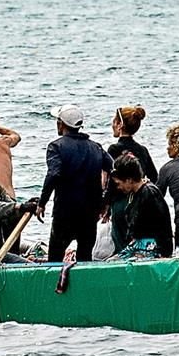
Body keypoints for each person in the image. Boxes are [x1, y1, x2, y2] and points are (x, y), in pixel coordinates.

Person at [38, 104, 114, 262]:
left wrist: (42, 202)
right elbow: (113, 170)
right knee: (85, 256)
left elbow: (53, 174)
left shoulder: (56, 146)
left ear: (61, 124)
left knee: (56, 256)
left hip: (64, 211)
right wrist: (106, 201)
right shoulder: (95, 147)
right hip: (90, 211)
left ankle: (54, 284)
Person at [103, 105, 158, 251]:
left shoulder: (114, 149)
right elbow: (154, 177)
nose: (112, 125)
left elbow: (111, 181)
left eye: (114, 121)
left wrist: (106, 205)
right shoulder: (142, 150)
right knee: (137, 244)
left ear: (120, 125)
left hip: (120, 204)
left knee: (121, 245)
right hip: (139, 203)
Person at [109, 153, 173, 259]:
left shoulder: (149, 193)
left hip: (153, 247)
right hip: (139, 245)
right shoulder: (136, 194)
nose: (119, 187)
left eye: (119, 183)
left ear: (129, 180)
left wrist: (163, 253)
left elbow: (162, 227)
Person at [154, 121, 179, 254]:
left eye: (170, 144)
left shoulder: (168, 168)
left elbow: (156, 198)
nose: (167, 148)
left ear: (177, 146)